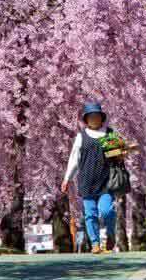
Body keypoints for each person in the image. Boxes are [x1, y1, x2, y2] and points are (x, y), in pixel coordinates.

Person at [61, 101, 116, 254]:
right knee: (90, 214)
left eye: (97, 116)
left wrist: (120, 152)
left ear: (101, 118)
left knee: (106, 211)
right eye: (91, 117)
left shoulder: (110, 133)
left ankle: (111, 234)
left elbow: (117, 155)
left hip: (106, 181)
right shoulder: (81, 137)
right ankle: (95, 243)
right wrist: (67, 179)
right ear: (86, 120)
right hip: (86, 181)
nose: (94, 119)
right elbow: (74, 160)